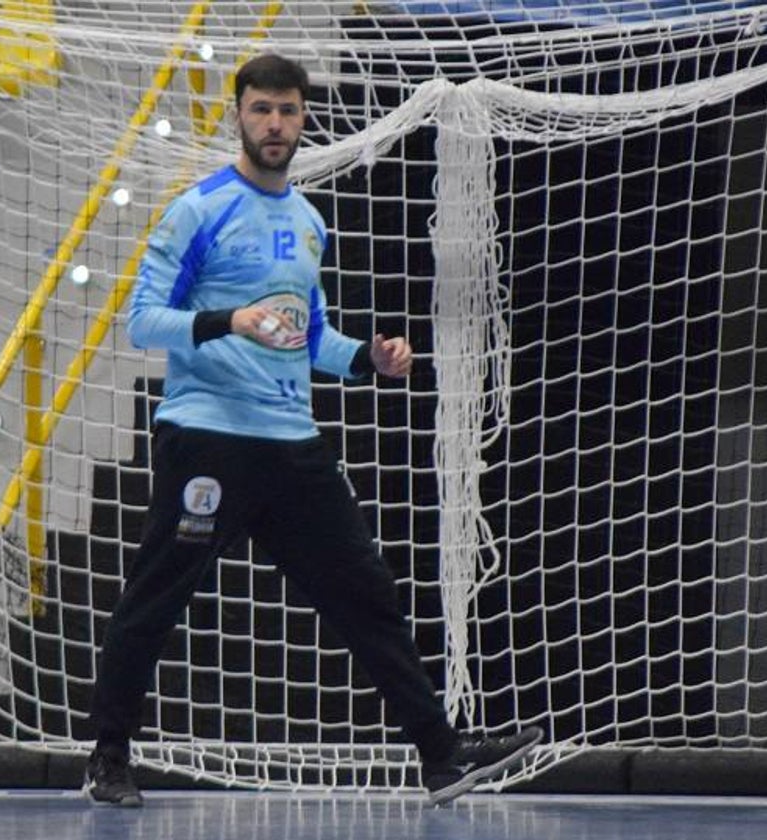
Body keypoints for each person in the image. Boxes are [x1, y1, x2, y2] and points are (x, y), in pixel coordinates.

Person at [85, 53, 542, 808]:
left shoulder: (306, 221)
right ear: (239, 114)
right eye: (262, 110)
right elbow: (141, 323)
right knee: (157, 595)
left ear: (304, 119)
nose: (275, 124)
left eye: (288, 111)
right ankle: (108, 756)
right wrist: (227, 319)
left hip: (292, 446)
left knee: (365, 594)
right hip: (207, 439)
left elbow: (309, 336)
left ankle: (442, 757)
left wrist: (370, 358)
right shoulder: (198, 209)